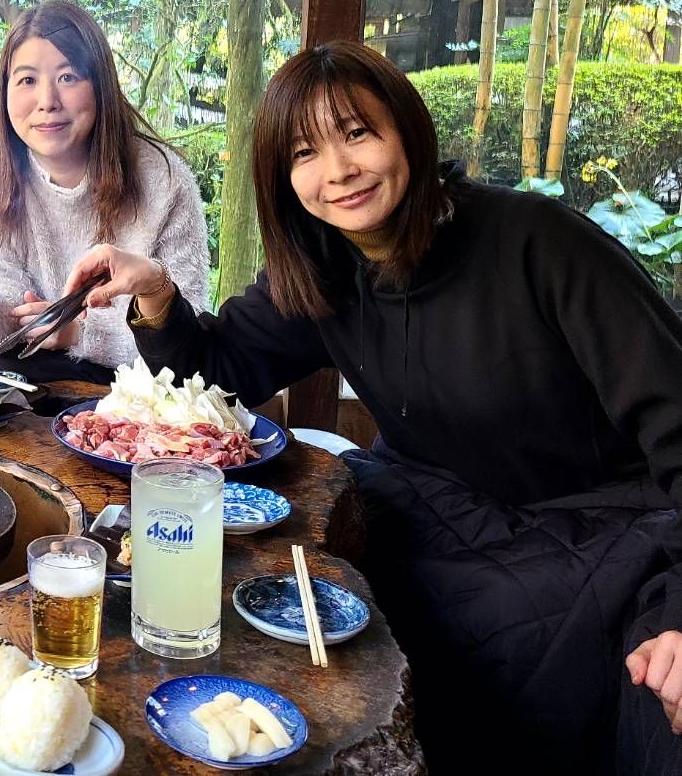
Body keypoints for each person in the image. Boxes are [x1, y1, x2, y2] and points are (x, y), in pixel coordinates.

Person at [64, 40, 682, 773]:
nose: (337, 171)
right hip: (437, 505)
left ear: (406, 131)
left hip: (605, 524)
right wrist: (157, 293)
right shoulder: (329, 264)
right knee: (287, 589)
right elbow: (222, 370)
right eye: (304, 153)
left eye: (357, 133)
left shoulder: (540, 244)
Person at [0, 0, 210, 387]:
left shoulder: (164, 182)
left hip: (122, 387)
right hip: (17, 370)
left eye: (68, 77)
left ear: (101, 86)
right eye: (27, 80)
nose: (47, 102)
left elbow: (186, 336)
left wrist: (79, 334)